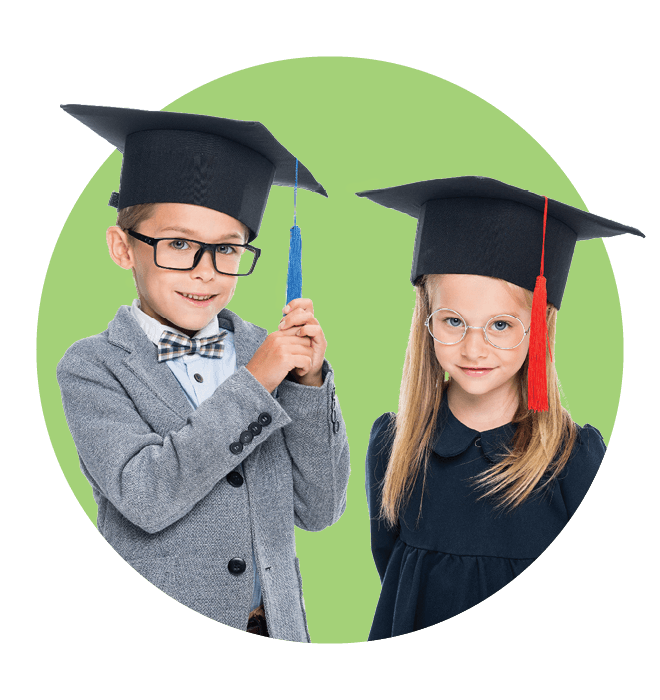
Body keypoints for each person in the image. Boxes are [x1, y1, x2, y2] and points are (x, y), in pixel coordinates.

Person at [56, 104, 350, 643]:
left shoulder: (268, 351)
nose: (206, 271)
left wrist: (308, 389)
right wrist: (255, 384)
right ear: (124, 248)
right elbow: (145, 497)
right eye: (179, 245)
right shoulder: (94, 366)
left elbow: (321, 510)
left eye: (227, 249)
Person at [356, 176, 643, 641]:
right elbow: (393, 576)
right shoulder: (395, 445)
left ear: (539, 327)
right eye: (453, 321)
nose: (474, 348)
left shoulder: (572, 458)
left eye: (501, 325)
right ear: (425, 320)